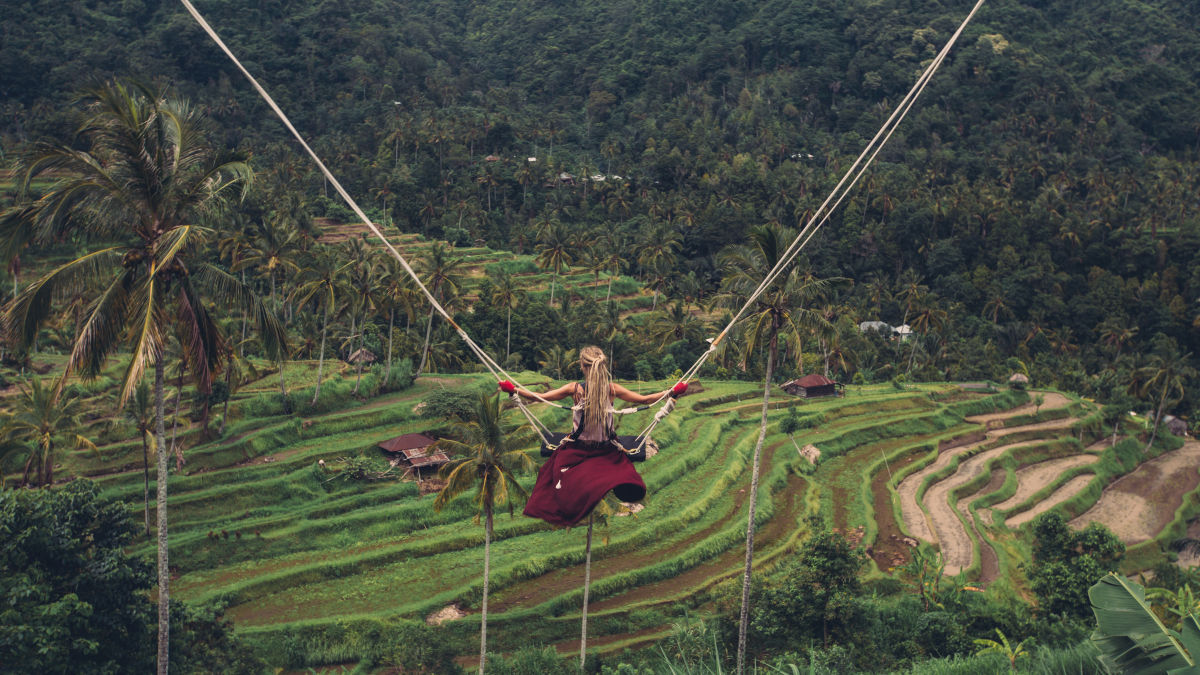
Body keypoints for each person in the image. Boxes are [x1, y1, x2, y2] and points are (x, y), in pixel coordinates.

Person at [498, 345, 686, 527]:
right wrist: (671, 392)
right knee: (622, 480)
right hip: (606, 451)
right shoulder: (611, 389)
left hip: (579, 450)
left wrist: (513, 390)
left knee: (550, 482)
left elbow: (539, 397)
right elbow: (646, 399)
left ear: (582, 366)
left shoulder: (575, 389)